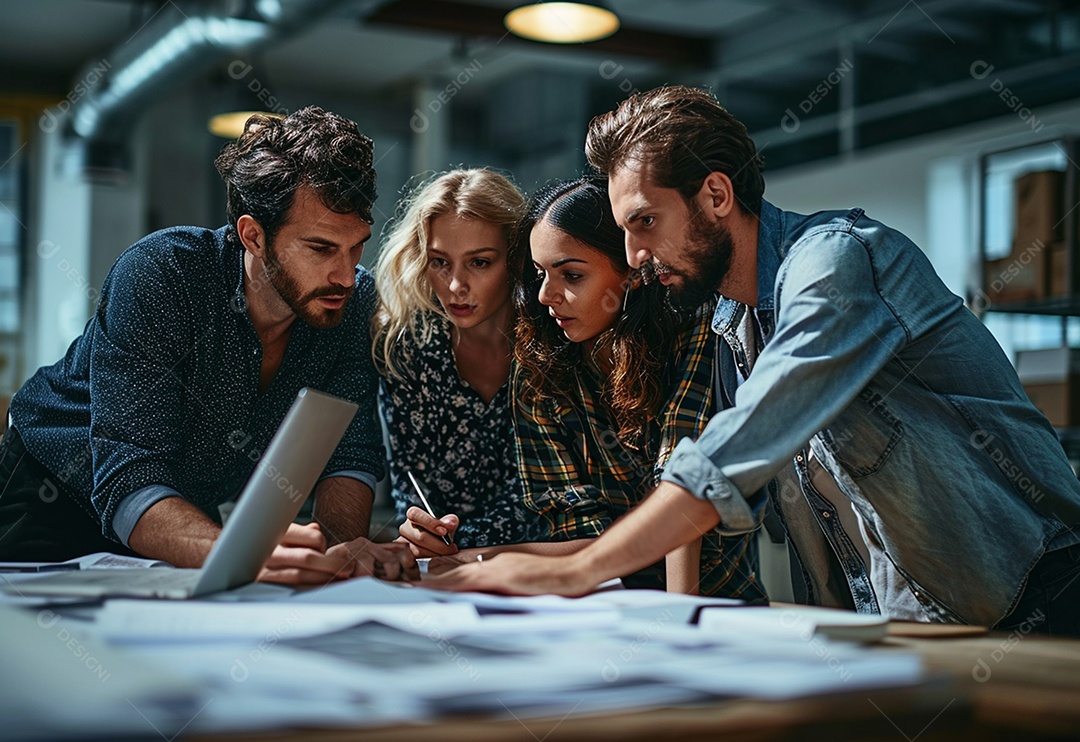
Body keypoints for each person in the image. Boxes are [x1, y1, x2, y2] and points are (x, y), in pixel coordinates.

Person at [425, 85, 1080, 635]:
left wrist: (571, 572)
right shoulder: (733, 321)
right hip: (922, 627)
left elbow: (725, 461)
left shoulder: (835, 263)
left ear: (715, 196)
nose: (632, 255)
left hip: (1038, 602)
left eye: (646, 223)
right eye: (624, 231)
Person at [0, 106, 415, 584]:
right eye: (321, 249)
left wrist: (344, 556)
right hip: (49, 494)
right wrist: (243, 552)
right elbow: (129, 475)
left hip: (176, 514)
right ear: (254, 236)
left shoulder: (353, 301)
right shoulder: (162, 275)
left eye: (357, 246)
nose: (345, 274)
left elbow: (349, 452)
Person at [509, 176, 763, 599]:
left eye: (571, 275)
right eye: (540, 274)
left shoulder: (695, 331)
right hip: (598, 612)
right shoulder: (539, 372)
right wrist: (475, 559)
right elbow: (578, 531)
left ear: (633, 273)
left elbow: (681, 494)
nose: (545, 296)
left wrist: (679, 628)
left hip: (715, 612)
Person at [371, 168, 530, 550]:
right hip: (441, 568)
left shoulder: (552, 342)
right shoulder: (408, 346)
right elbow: (411, 488)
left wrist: (463, 540)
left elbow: (550, 499)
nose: (456, 286)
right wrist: (421, 530)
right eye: (440, 262)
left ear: (516, 258)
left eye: (479, 262)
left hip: (549, 561)